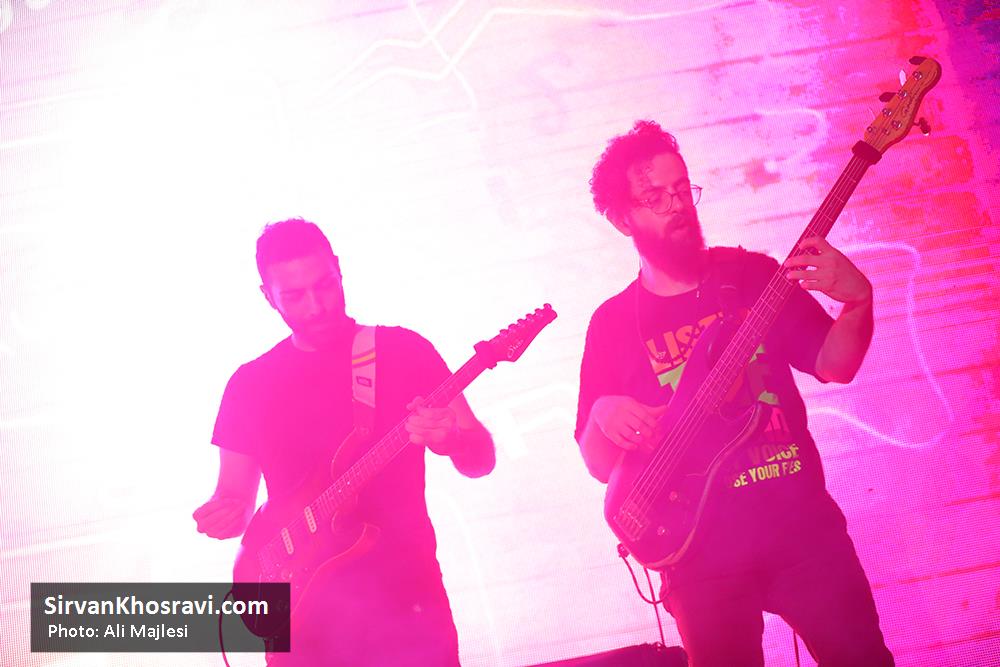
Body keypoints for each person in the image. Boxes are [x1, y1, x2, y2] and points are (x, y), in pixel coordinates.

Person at [575, 120, 894, 666]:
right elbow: (599, 464)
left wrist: (858, 303)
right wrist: (605, 413)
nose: (678, 206)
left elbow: (835, 364)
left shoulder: (752, 277)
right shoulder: (612, 324)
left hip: (802, 531)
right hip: (698, 554)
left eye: (682, 189)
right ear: (622, 218)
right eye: (655, 197)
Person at [192, 218, 495, 666]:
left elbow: (480, 458)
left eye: (324, 286)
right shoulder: (249, 384)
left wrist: (451, 440)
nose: (316, 306)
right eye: (294, 296)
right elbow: (234, 500)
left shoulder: (403, 350)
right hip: (302, 623)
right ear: (267, 296)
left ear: (338, 269)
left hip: (408, 608)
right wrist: (223, 515)